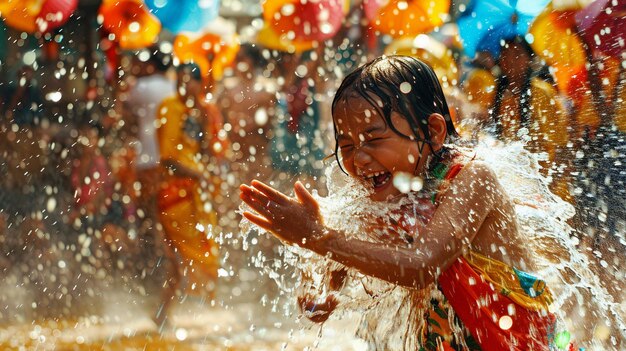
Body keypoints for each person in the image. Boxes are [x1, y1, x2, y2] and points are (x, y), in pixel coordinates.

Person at [240, 56, 560, 350]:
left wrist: (318, 237)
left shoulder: (472, 179)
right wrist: (321, 290)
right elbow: (336, 273)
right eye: (347, 145)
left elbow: (421, 266)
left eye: (374, 139)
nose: (359, 159)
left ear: (433, 132)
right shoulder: (385, 198)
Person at [155, 62, 226, 328]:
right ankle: (189, 310)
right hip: (175, 195)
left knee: (185, 258)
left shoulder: (200, 111)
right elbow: (168, 159)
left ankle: (165, 313)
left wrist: (208, 121)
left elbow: (207, 152)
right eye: (180, 81)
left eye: (190, 81)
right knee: (190, 255)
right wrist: (199, 176)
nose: (184, 86)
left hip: (196, 194)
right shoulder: (170, 108)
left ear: (199, 84)